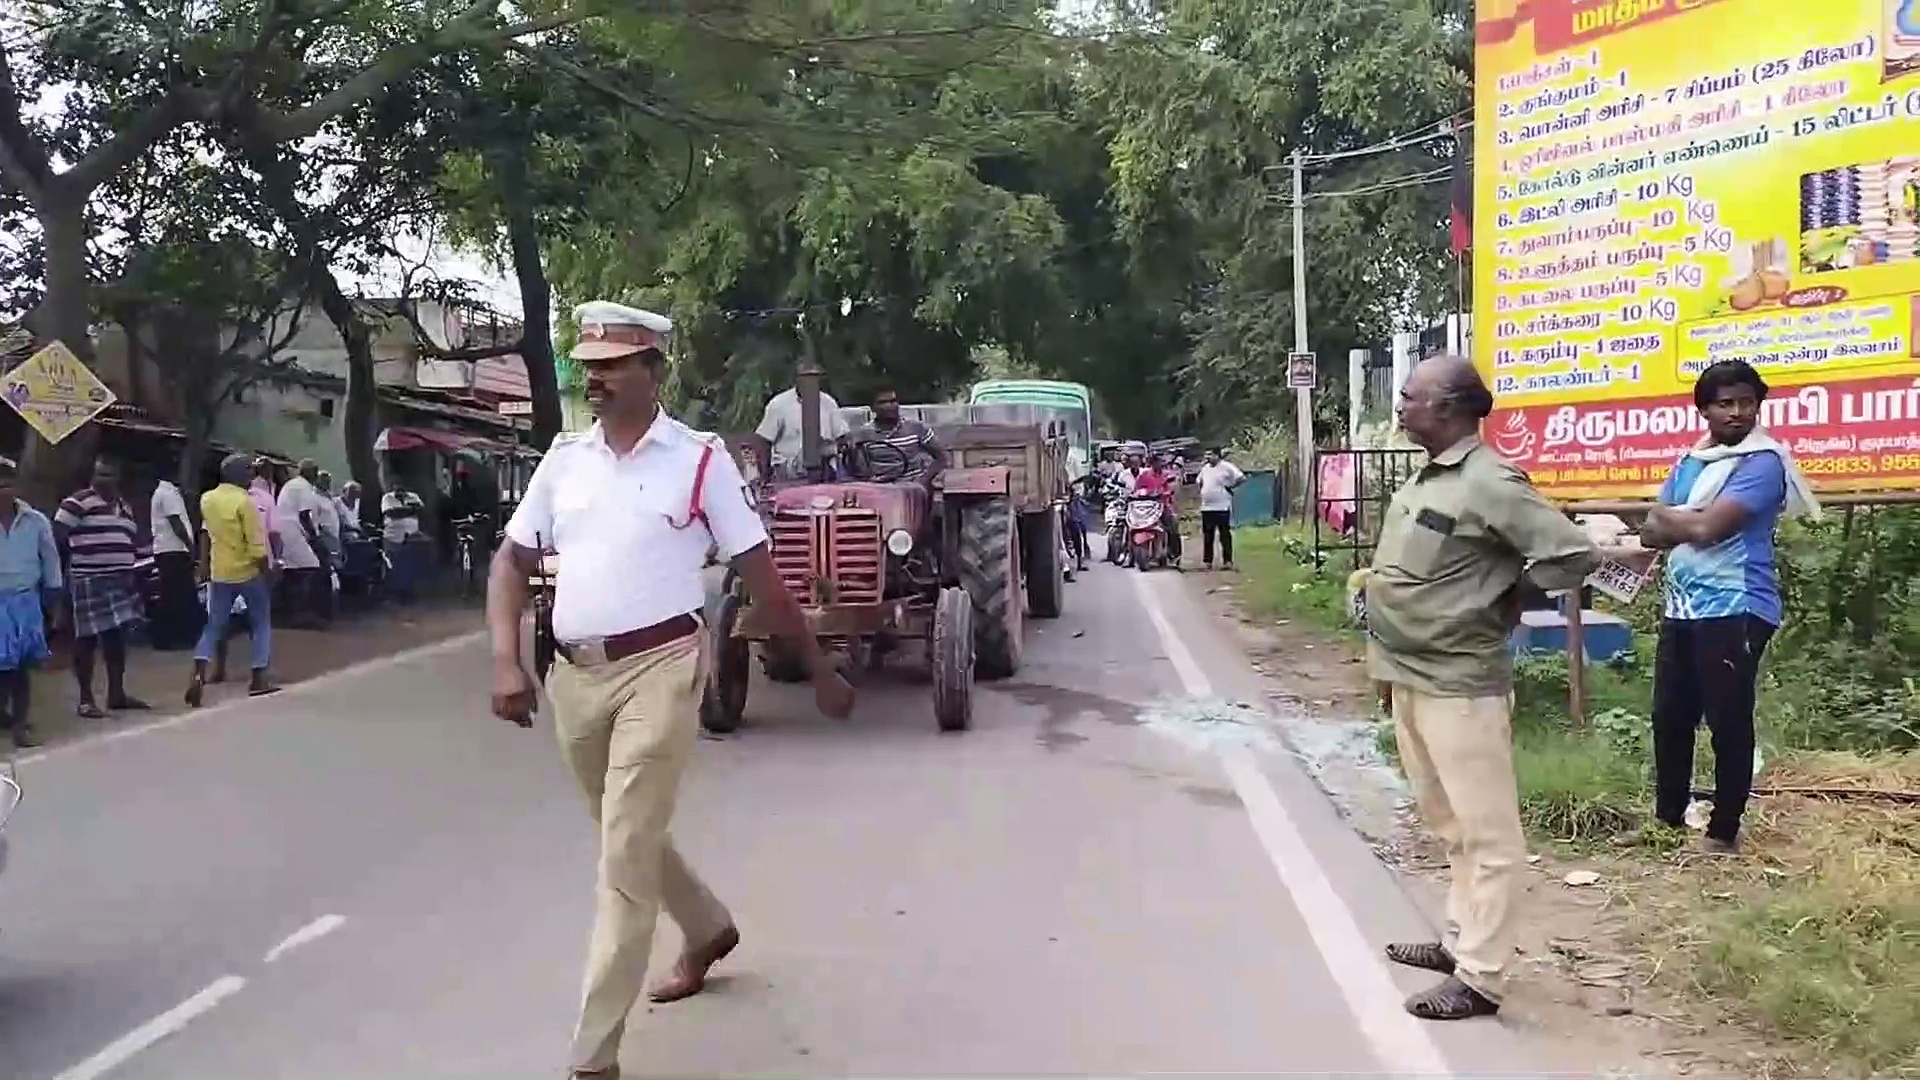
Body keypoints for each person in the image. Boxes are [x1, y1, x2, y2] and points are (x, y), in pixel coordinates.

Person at [487, 301, 855, 1080]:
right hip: (573, 680)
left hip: (662, 670)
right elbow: (510, 562)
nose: (596, 377)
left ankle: (594, 1059)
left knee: (622, 857)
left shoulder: (698, 461)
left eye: (613, 364)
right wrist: (506, 661)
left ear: (654, 371)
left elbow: (761, 576)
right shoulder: (564, 461)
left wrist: (819, 669)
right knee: (627, 830)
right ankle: (708, 926)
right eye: (588, 364)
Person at [1364, 355, 1598, 1021]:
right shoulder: (1430, 476)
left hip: (1461, 683)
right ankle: (1460, 939)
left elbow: (1571, 553)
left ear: (1450, 407)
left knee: (1489, 835)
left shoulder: (1491, 481)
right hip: (1412, 673)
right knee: (1448, 826)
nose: (1401, 405)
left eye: (1411, 396)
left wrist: (1507, 595)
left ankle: (1484, 977)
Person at [1636, 360, 1819, 855]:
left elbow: (1705, 529)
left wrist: (1682, 521)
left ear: (1758, 405)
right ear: (1703, 410)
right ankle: (1667, 820)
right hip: (1684, 608)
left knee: (1728, 719)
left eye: (1746, 402)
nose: (1737, 412)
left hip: (1737, 607)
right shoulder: (1693, 461)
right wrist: (1678, 521)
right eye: (1724, 403)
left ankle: (1723, 831)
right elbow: (1651, 528)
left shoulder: (1762, 463)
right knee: (1670, 716)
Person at [53, 457, 151, 718]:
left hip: (120, 581)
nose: (103, 479)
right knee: (85, 640)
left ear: (118, 477)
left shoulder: (125, 508)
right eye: (100, 474)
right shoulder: (76, 503)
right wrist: (62, 580)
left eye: (109, 474)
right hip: (87, 580)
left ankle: (116, 694)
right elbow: (58, 539)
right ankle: (85, 700)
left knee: (116, 640)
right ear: (93, 476)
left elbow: (134, 543)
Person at [188, 453, 279, 704]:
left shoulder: (208, 499)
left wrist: (204, 564)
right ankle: (259, 679)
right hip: (247, 571)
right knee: (261, 623)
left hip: (220, 573)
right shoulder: (245, 503)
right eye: (249, 471)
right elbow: (257, 546)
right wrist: (267, 572)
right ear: (237, 474)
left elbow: (206, 532)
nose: (252, 476)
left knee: (214, 626)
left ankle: (198, 674)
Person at [0, 459, 59, 747]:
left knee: (21, 667)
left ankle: (20, 725)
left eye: (7, 484)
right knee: (2, 668)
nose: (3, 491)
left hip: (26, 601)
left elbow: (50, 561)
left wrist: (54, 602)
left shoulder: (35, 521)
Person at [751, 360, 851, 482]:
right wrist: (765, 475)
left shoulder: (828, 402)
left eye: (815, 378)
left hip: (825, 468)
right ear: (797, 379)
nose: (811, 382)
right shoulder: (779, 404)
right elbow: (764, 440)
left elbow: (842, 435)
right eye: (806, 378)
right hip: (790, 470)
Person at [275, 459, 331, 628]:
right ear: (310, 472)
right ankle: (303, 614)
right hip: (293, 531)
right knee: (310, 567)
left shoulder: (292, 485)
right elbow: (304, 515)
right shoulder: (303, 487)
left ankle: (288, 612)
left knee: (292, 571)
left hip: (285, 531)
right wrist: (314, 538)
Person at [149, 469, 201, 649]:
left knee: (173, 595)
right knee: (177, 595)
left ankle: (171, 637)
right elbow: (176, 524)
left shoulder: (166, 492)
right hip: (174, 549)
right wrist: (191, 547)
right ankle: (171, 638)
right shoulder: (168, 493)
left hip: (169, 550)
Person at [856, 387, 946, 483]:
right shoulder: (864, 434)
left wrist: (924, 479)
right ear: (873, 408)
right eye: (883, 402)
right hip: (881, 486)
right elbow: (859, 470)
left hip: (912, 485)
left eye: (893, 401)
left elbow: (940, 457)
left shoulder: (915, 427)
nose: (889, 405)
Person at [1197, 448, 1246, 570]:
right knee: (1208, 535)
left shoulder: (1227, 467)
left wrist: (1230, 486)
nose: (1207, 457)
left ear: (1217, 455)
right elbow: (1199, 481)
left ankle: (1227, 561)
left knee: (1224, 534)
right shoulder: (1205, 468)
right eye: (1206, 454)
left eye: (1210, 454)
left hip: (1222, 506)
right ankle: (1207, 561)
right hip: (1207, 507)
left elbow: (1241, 478)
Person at [382, 472, 427, 602]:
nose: (399, 489)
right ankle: (397, 593)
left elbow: (421, 510)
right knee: (394, 565)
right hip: (393, 537)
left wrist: (402, 510)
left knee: (410, 564)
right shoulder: (387, 498)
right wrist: (410, 510)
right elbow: (390, 513)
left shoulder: (413, 496)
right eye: (397, 487)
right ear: (392, 487)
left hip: (412, 536)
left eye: (401, 487)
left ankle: (409, 592)